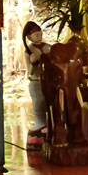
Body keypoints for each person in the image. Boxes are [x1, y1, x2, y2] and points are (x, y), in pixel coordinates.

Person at [22, 20, 50, 149]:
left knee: (48, 103)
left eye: (40, 33)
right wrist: (33, 62)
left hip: (48, 80)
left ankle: (49, 125)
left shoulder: (47, 47)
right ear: (29, 37)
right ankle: (40, 124)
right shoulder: (29, 51)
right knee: (38, 104)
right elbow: (30, 71)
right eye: (36, 34)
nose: (39, 36)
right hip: (36, 81)